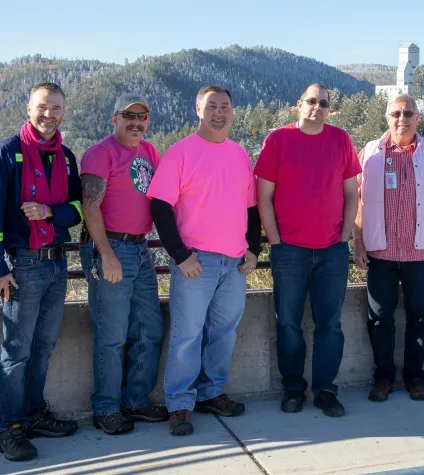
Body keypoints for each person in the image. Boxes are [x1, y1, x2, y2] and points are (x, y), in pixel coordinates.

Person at [147, 85, 261, 436]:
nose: (219, 112)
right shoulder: (180, 153)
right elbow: (160, 206)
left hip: (234, 262)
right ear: (198, 109)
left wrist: (253, 249)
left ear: (232, 112)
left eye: (225, 106)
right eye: (211, 106)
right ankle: (180, 404)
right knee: (187, 335)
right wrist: (180, 256)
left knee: (223, 334)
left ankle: (211, 392)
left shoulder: (240, 155)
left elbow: (251, 208)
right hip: (197, 262)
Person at [255, 84, 360, 417]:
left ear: (330, 109)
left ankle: (326, 390)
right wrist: (275, 240)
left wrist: (344, 237)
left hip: (332, 250)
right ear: (298, 105)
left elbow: (351, 194)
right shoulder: (278, 140)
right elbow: (263, 197)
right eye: (312, 101)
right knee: (287, 322)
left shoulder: (341, 140)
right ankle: (293, 388)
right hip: (289, 251)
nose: (318, 107)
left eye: (324, 103)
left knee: (330, 324)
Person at [355, 95, 424, 402]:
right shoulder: (370, 153)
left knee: (419, 318)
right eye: (396, 113)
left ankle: (416, 379)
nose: (402, 118)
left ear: (417, 118)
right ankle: (383, 378)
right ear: (387, 118)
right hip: (380, 252)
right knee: (380, 319)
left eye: (408, 113)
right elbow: (358, 201)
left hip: (421, 253)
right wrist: (358, 241)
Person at [0, 82, 82, 461]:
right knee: (15, 351)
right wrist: (0, 268)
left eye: (57, 109)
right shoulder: (8, 152)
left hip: (55, 260)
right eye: (43, 107)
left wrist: (49, 211)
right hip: (21, 263)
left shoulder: (66, 157)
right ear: (28, 107)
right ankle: (9, 427)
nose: (49, 115)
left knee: (43, 347)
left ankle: (33, 415)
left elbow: (77, 211)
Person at [79, 93, 167, 435]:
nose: (136, 122)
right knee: (112, 334)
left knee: (149, 328)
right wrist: (106, 254)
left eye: (142, 117)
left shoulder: (148, 151)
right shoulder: (100, 153)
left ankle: (136, 400)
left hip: (141, 248)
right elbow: (90, 208)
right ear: (115, 118)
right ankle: (106, 408)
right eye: (128, 116)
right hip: (111, 247)